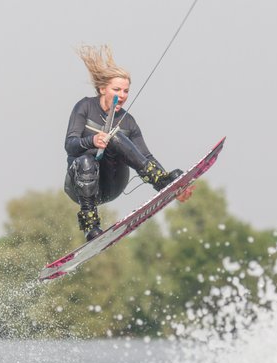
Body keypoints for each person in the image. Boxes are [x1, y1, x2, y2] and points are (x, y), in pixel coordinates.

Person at [64, 45, 192, 241]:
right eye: (117, 89)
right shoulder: (85, 107)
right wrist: (92, 140)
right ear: (102, 89)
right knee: (85, 162)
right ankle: (90, 225)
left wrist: (172, 190)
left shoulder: (129, 122)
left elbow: (146, 157)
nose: (122, 95)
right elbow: (70, 144)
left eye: (125, 91)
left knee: (116, 137)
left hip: (112, 183)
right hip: (80, 186)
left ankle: (161, 183)